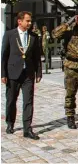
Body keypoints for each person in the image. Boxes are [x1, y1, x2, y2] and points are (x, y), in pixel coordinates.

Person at [1, 11, 42, 140]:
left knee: (28, 101)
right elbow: (4, 55)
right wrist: (3, 73)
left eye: (30, 21)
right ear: (20, 21)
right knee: (11, 100)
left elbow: (37, 57)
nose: (30, 23)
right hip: (13, 73)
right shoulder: (9, 35)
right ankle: (10, 123)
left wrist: (38, 72)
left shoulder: (34, 36)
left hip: (28, 74)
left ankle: (27, 129)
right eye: (27, 21)